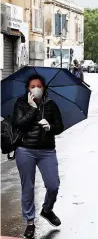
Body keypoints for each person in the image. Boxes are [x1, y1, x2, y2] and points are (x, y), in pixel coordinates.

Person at [12, 74, 64, 238]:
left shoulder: (51, 104)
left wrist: (50, 127)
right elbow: (19, 125)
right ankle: (30, 222)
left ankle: (47, 210)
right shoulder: (21, 103)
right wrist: (32, 109)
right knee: (27, 187)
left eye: (39, 86)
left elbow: (60, 126)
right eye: (32, 86)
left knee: (53, 185)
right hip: (25, 150)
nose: (36, 89)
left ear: (44, 88)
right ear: (28, 89)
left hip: (47, 151)